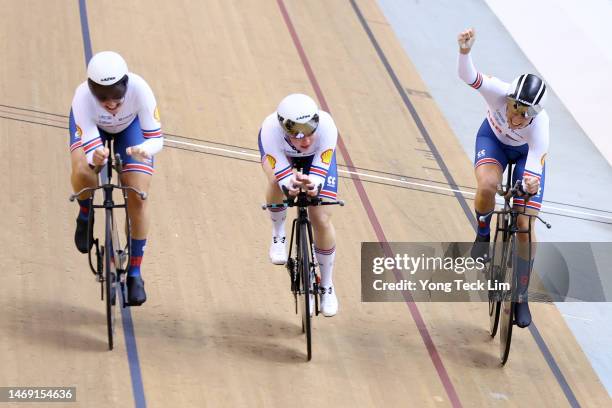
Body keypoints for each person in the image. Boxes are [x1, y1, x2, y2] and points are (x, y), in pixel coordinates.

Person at [457, 28, 549, 327]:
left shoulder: (539, 128)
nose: (515, 116)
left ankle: (520, 294)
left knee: (524, 222)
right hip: (493, 140)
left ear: (534, 114)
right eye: (513, 107)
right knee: (487, 185)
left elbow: (535, 167)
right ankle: (483, 234)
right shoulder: (497, 90)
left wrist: (530, 185)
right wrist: (465, 52)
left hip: (525, 155)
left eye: (523, 113)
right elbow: (468, 77)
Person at [69, 51, 163, 306]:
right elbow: (89, 152)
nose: (110, 105)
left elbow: (157, 139)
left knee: (138, 196)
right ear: (91, 91)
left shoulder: (141, 89)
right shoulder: (82, 98)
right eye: (103, 99)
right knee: (84, 173)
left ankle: (134, 272)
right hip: (93, 131)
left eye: (117, 98)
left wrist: (146, 149)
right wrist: (95, 158)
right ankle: (86, 212)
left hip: (130, 131)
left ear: (126, 86)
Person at [258, 93, 339, 316]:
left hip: (316, 160)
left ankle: (327, 284)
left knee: (321, 217)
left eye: (310, 133)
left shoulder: (328, 127)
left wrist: (313, 185)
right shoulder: (270, 130)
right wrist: (289, 184)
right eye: (298, 135)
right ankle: (278, 234)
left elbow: (320, 174)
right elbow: (282, 177)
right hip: (283, 156)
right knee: (276, 182)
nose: (305, 141)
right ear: (284, 129)